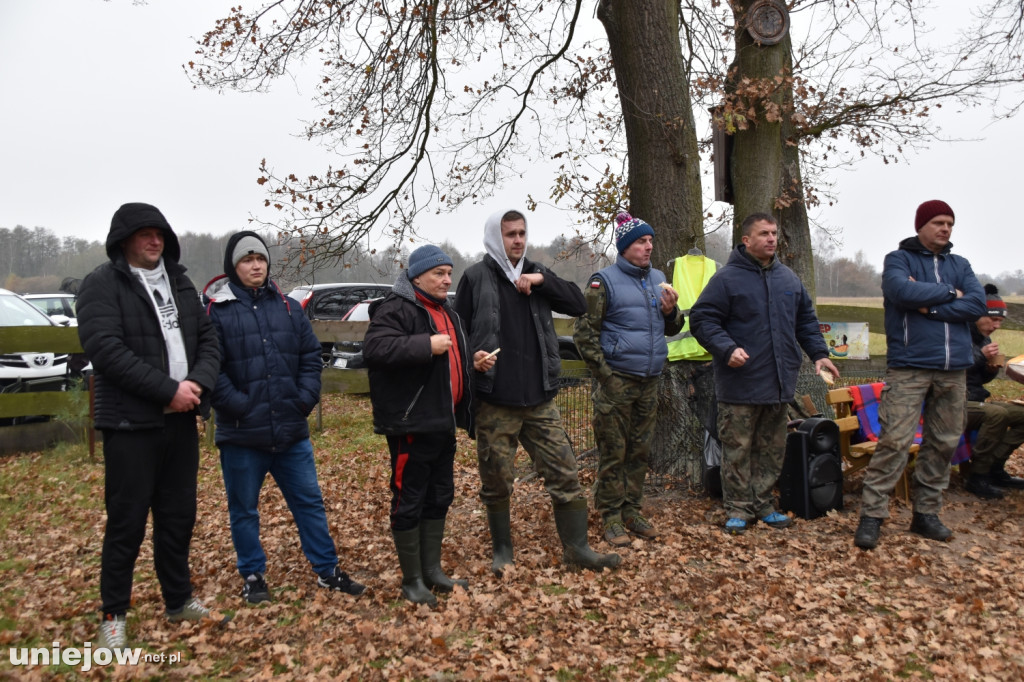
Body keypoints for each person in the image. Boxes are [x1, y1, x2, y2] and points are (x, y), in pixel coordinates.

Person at [76, 202, 224, 650]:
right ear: (124, 239)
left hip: (180, 424)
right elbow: (107, 351)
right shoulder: (101, 285)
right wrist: (168, 390)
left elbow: (209, 338)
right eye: (144, 234)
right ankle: (113, 615)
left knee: (178, 518)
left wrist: (197, 382)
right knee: (127, 522)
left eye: (160, 233)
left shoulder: (179, 282)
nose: (154, 240)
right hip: (131, 425)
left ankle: (178, 599)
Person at [454, 208, 621, 574]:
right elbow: (457, 334)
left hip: (540, 400)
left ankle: (577, 550)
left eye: (522, 233)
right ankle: (502, 553)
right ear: (496, 237)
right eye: (510, 234)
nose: (518, 240)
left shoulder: (536, 273)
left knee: (565, 473)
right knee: (497, 481)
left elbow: (579, 305)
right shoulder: (475, 277)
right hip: (495, 401)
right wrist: (472, 359)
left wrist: (543, 279)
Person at [203, 231, 365, 603]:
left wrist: (303, 399)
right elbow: (212, 370)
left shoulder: (289, 308)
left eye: (260, 257)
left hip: (291, 431)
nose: (256, 265)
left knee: (309, 502)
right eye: (247, 259)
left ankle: (327, 570)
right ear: (233, 265)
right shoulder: (216, 312)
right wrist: (240, 406)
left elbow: (311, 357)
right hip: (242, 434)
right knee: (244, 509)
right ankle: (253, 576)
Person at [690, 212, 839, 535]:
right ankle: (738, 509)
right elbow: (702, 320)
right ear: (746, 240)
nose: (771, 238)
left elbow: (806, 322)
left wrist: (820, 355)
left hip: (779, 382)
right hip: (739, 384)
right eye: (764, 233)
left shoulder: (788, 279)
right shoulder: (727, 279)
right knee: (738, 448)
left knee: (772, 448)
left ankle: (763, 504)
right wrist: (727, 349)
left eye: (774, 233)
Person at [853, 200, 987, 549]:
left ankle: (926, 514)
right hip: (910, 366)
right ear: (921, 225)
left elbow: (976, 305)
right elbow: (901, 291)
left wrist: (931, 307)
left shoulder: (961, 264)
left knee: (943, 443)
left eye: (950, 224)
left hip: (953, 371)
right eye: (938, 222)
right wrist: (948, 293)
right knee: (895, 441)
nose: (945, 229)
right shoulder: (899, 260)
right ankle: (872, 516)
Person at [363, 244, 472, 606]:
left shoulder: (448, 312)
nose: (447, 279)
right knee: (409, 499)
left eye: (449, 273)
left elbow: (451, 357)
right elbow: (375, 350)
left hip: (443, 421)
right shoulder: (396, 308)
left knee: (439, 496)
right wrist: (425, 345)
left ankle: (432, 572)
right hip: (412, 422)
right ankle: (412, 581)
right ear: (417, 276)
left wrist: (475, 362)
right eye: (439, 273)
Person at [573, 212, 684, 546]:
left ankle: (632, 511)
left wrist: (670, 312)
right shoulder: (603, 281)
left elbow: (674, 329)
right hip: (617, 382)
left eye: (650, 241)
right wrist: (606, 377)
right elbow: (583, 334)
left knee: (639, 451)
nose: (648, 247)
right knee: (614, 451)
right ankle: (610, 517)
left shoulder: (659, 279)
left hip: (650, 381)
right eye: (641, 242)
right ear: (624, 247)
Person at [962, 284, 1024, 499]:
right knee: (997, 414)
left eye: (1000, 321)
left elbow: (978, 378)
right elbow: (950, 369)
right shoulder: (957, 333)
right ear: (978, 314)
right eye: (993, 319)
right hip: (953, 402)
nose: (997, 325)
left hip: (976, 398)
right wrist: (980, 355)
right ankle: (977, 476)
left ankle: (995, 468)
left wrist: (989, 369)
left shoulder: (984, 339)